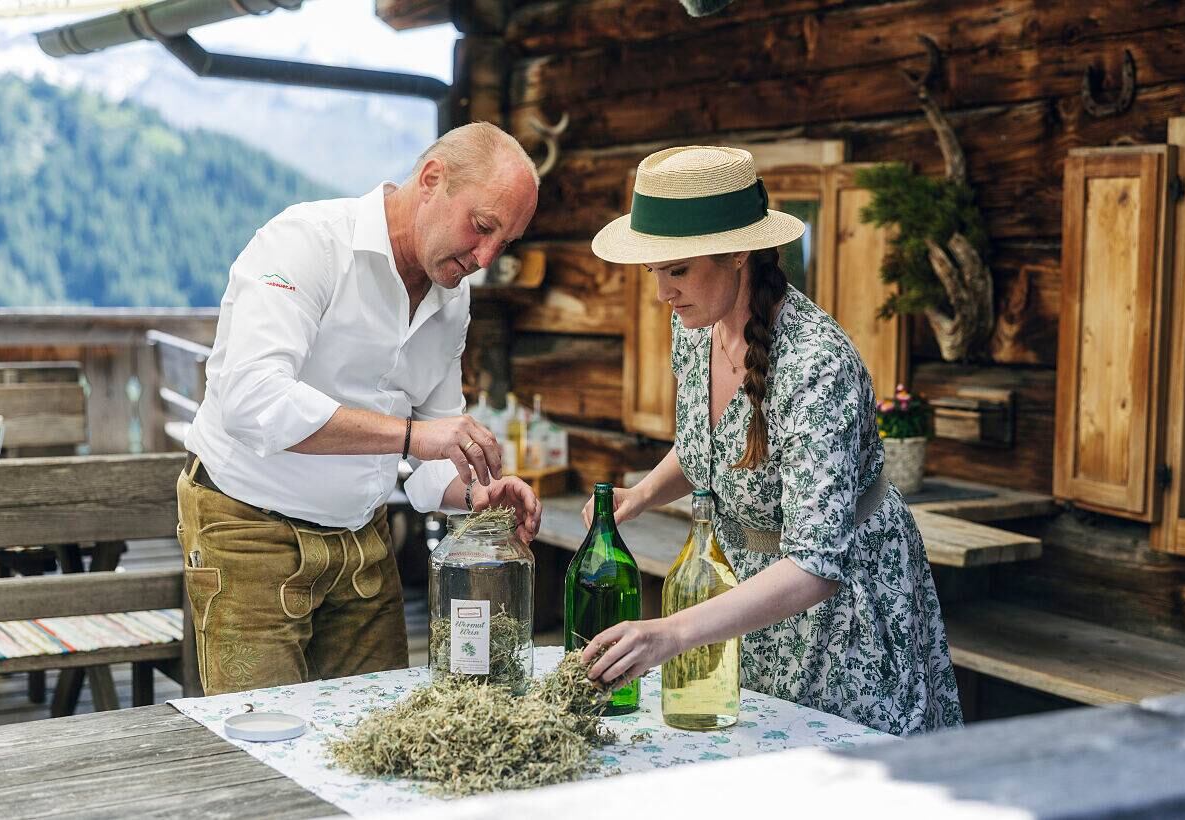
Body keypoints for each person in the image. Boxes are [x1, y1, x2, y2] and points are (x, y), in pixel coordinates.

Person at [581, 146, 962, 734]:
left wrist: (671, 633)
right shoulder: (696, 327)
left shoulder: (816, 366)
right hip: (749, 603)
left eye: (677, 270)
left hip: (844, 618)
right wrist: (643, 495)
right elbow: (711, 444)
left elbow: (814, 566)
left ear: (739, 252)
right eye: (653, 272)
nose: (662, 294)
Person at [177, 122, 542, 696]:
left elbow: (434, 449)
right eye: (482, 226)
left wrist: (477, 493)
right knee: (263, 734)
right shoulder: (306, 242)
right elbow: (250, 399)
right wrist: (412, 436)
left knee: (376, 726)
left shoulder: (453, 300)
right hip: (248, 530)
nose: (486, 257)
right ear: (431, 179)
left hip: (363, 537)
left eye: (505, 243)